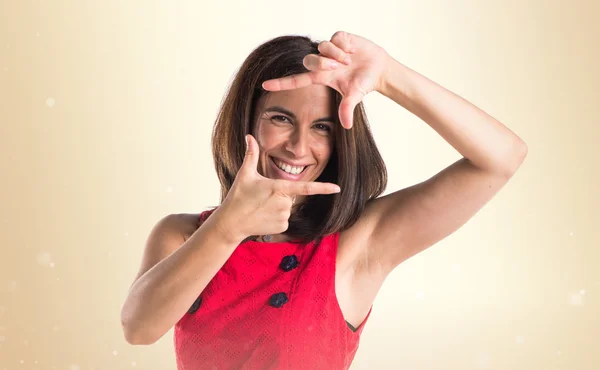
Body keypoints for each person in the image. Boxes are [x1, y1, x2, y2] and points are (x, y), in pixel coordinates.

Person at [120, 31, 528, 369]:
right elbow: (138, 328)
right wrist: (229, 226)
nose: (299, 147)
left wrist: (388, 75)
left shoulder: (356, 244)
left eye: (322, 127)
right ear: (245, 119)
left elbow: (501, 158)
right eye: (280, 118)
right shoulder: (181, 234)